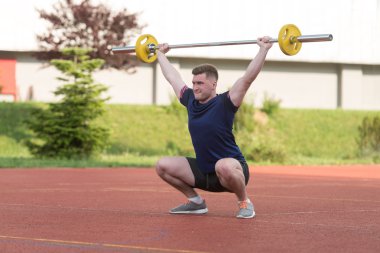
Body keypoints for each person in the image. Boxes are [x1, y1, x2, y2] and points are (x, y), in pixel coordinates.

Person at [155, 37, 273, 219]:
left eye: (199, 83)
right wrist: (160, 54)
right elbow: (173, 77)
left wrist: (263, 49)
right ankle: (195, 202)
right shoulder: (190, 100)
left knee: (223, 165)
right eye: (193, 83)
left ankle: (244, 202)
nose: (194, 87)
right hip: (205, 172)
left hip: (232, 171)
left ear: (213, 84)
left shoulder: (226, 102)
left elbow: (247, 78)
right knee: (163, 165)